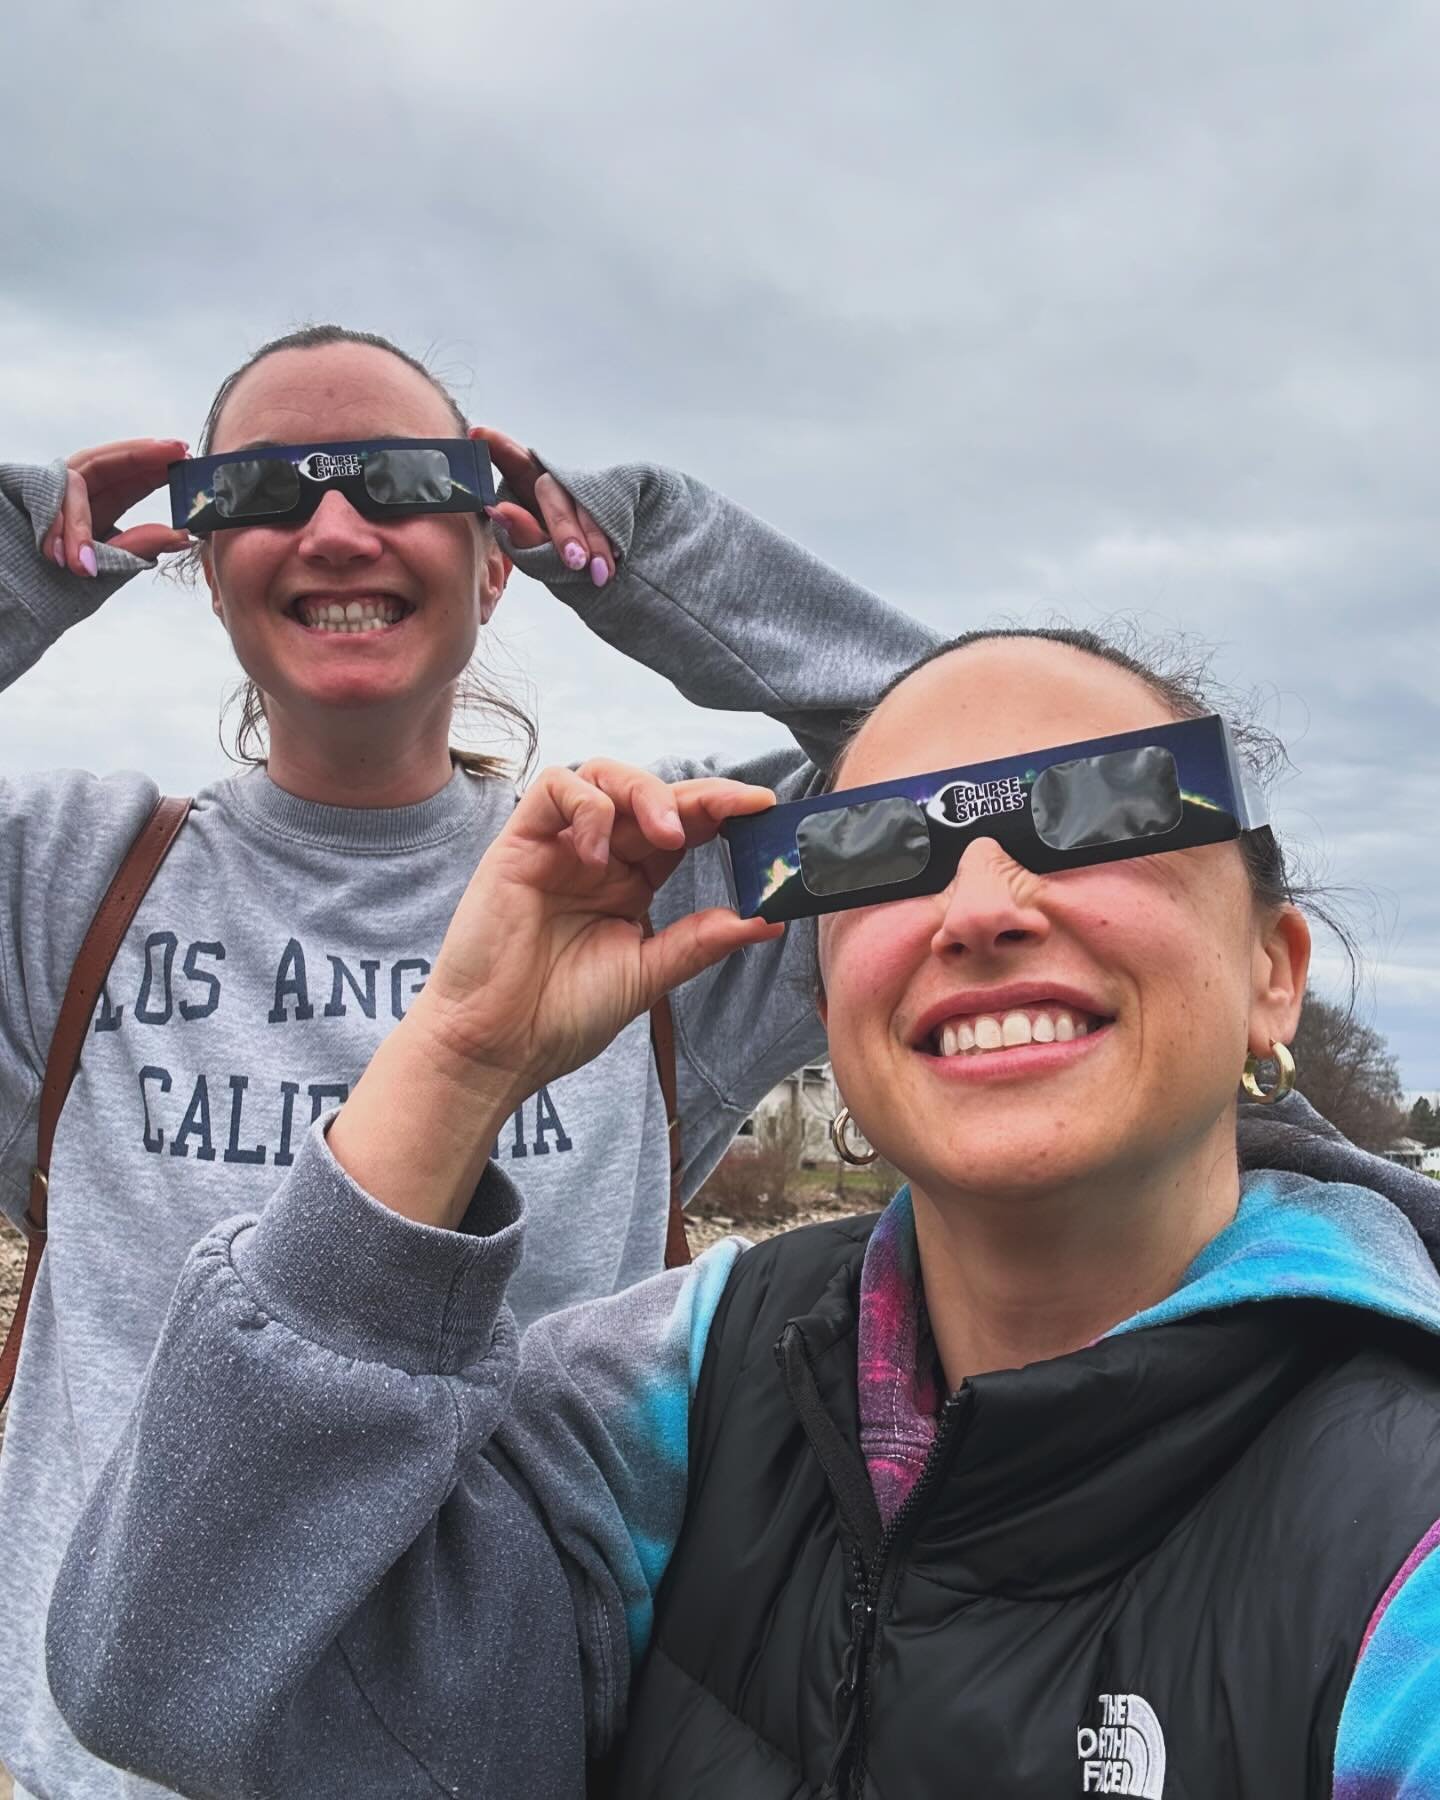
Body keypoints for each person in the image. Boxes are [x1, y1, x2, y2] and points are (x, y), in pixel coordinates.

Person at [44, 624, 1440, 1797]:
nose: (983, 902)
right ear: (824, 997)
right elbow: (168, 1678)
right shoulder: (674, 1395)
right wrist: (457, 1054)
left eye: (1106, 809)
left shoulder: (1406, 1551)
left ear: (1274, 971)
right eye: (882, 847)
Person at [0, 322, 938, 1800]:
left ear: (498, 551)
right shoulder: (65, 885)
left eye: (395, 481)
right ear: (196, 556)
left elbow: (986, 768)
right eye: (262, 490)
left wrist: (646, 551)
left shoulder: (648, 888)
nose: (332, 526)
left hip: (518, 1749)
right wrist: (18, 559)